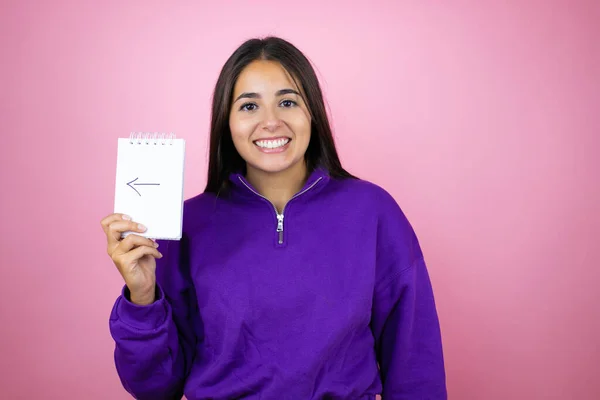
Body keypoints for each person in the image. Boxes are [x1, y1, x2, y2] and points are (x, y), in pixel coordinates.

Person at [101, 36, 447, 400]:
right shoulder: (186, 224)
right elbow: (155, 387)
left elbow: (415, 362)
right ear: (227, 122)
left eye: (287, 102)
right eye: (249, 106)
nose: (271, 122)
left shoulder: (373, 211)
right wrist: (142, 297)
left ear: (311, 111)